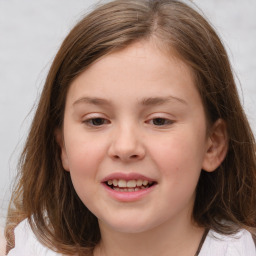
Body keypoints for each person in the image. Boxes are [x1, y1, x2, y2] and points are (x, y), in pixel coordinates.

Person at [4, 0, 256, 255]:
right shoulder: (28, 248)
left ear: (212, 144)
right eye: (96, 120)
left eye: (159, 120)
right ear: (63, 147)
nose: (125, 147)